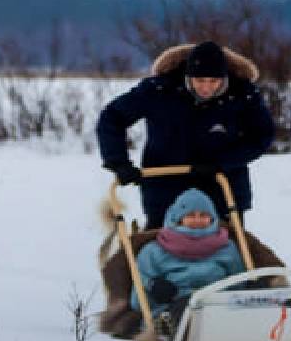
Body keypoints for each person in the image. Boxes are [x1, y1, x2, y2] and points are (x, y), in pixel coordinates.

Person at [96, 41, 274, 229]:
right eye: (200, 81)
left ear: (225, 77)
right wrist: (119, 162)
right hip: (165, 189)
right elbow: (112, 118)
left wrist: (223, 162)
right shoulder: (158, 91)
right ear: (187, 76)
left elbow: (261, 136)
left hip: (223, 189)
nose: (206, 88)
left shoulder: (242, 95)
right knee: (160, 250)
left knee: (227, 250)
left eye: (214, 81)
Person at [130, 188, 244, 323]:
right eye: (190, 215)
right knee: (183, 312)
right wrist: (153, 287)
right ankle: (170, 328)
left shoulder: (226, 247)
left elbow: (239, 283)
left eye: (203, 215)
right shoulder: (154, 251)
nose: (197, 220)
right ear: (178, 219)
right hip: (174, 305)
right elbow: (138, 298)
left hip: (218, 303)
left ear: (212, 218)